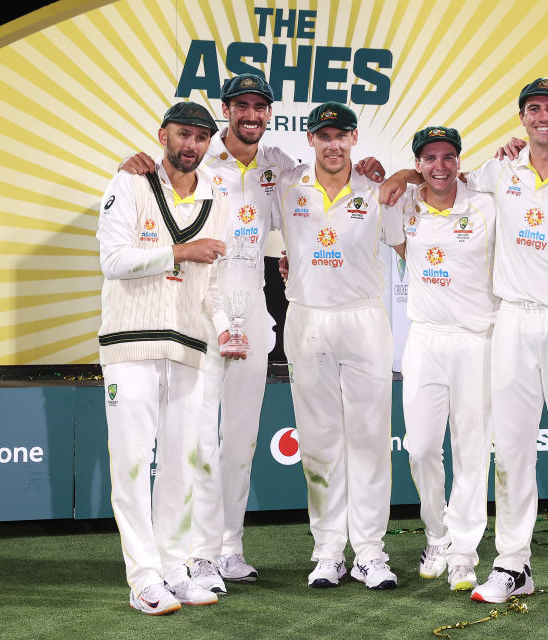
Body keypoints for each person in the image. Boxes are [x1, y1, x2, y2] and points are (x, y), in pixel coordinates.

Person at [120, 75, 388, 590]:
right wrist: (134, 164)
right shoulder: (196, 158)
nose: (250, 115)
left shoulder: (280, 169)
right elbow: (153, 184)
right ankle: (194, 555)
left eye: (259, 107)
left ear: (269, 114)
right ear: (226, 110)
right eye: (241, 105)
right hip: (196, 313)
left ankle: (229, 548)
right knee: (196, 440)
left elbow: (331, 187)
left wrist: (381, 170)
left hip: (254, 317)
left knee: (238, 442)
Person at [383, 78, 548, 604]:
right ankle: (514, 565)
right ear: (521, 118)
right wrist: (402, 172)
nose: (543, 116)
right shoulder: (497, 171)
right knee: (510, 452)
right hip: (511, 320)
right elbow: (441, 180)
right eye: (533, 108)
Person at [98, 102, 242, 614]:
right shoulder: (129, 183)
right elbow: (113, 262)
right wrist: (178, 253)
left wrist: (227, 330)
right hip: (130, 345)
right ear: (163, 135)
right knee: (134, 465)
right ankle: (144, 580)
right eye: (184, 134)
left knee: (182, 465)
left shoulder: (217, 198)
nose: (192, 145)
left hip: (191, 347)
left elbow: (216, 280)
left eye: (202, 138)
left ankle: (175, 570)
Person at [271, 102, 405, 590]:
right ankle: (328, 551)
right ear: (310, 140)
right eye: (323, 135)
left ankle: (370, 552)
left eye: (341, 135)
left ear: (354, 139)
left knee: (370, 439)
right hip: (307, 318)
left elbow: (410, 245)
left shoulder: (377, 191)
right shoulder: (287, 186)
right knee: (320, 440)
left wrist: (404, 172)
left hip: (363, 318)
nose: (333, 144)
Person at [395, 127, 498, 592]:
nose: (440, 166)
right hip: (425, 339)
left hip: (476, 340)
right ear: (419, 163)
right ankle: (436, 536)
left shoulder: (484, 205)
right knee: (420, 448)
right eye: (430, 158)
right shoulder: (405, 206)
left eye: (448, 157)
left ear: (460, 161)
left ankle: (463, 551)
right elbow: (390, 232)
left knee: (472, 451)